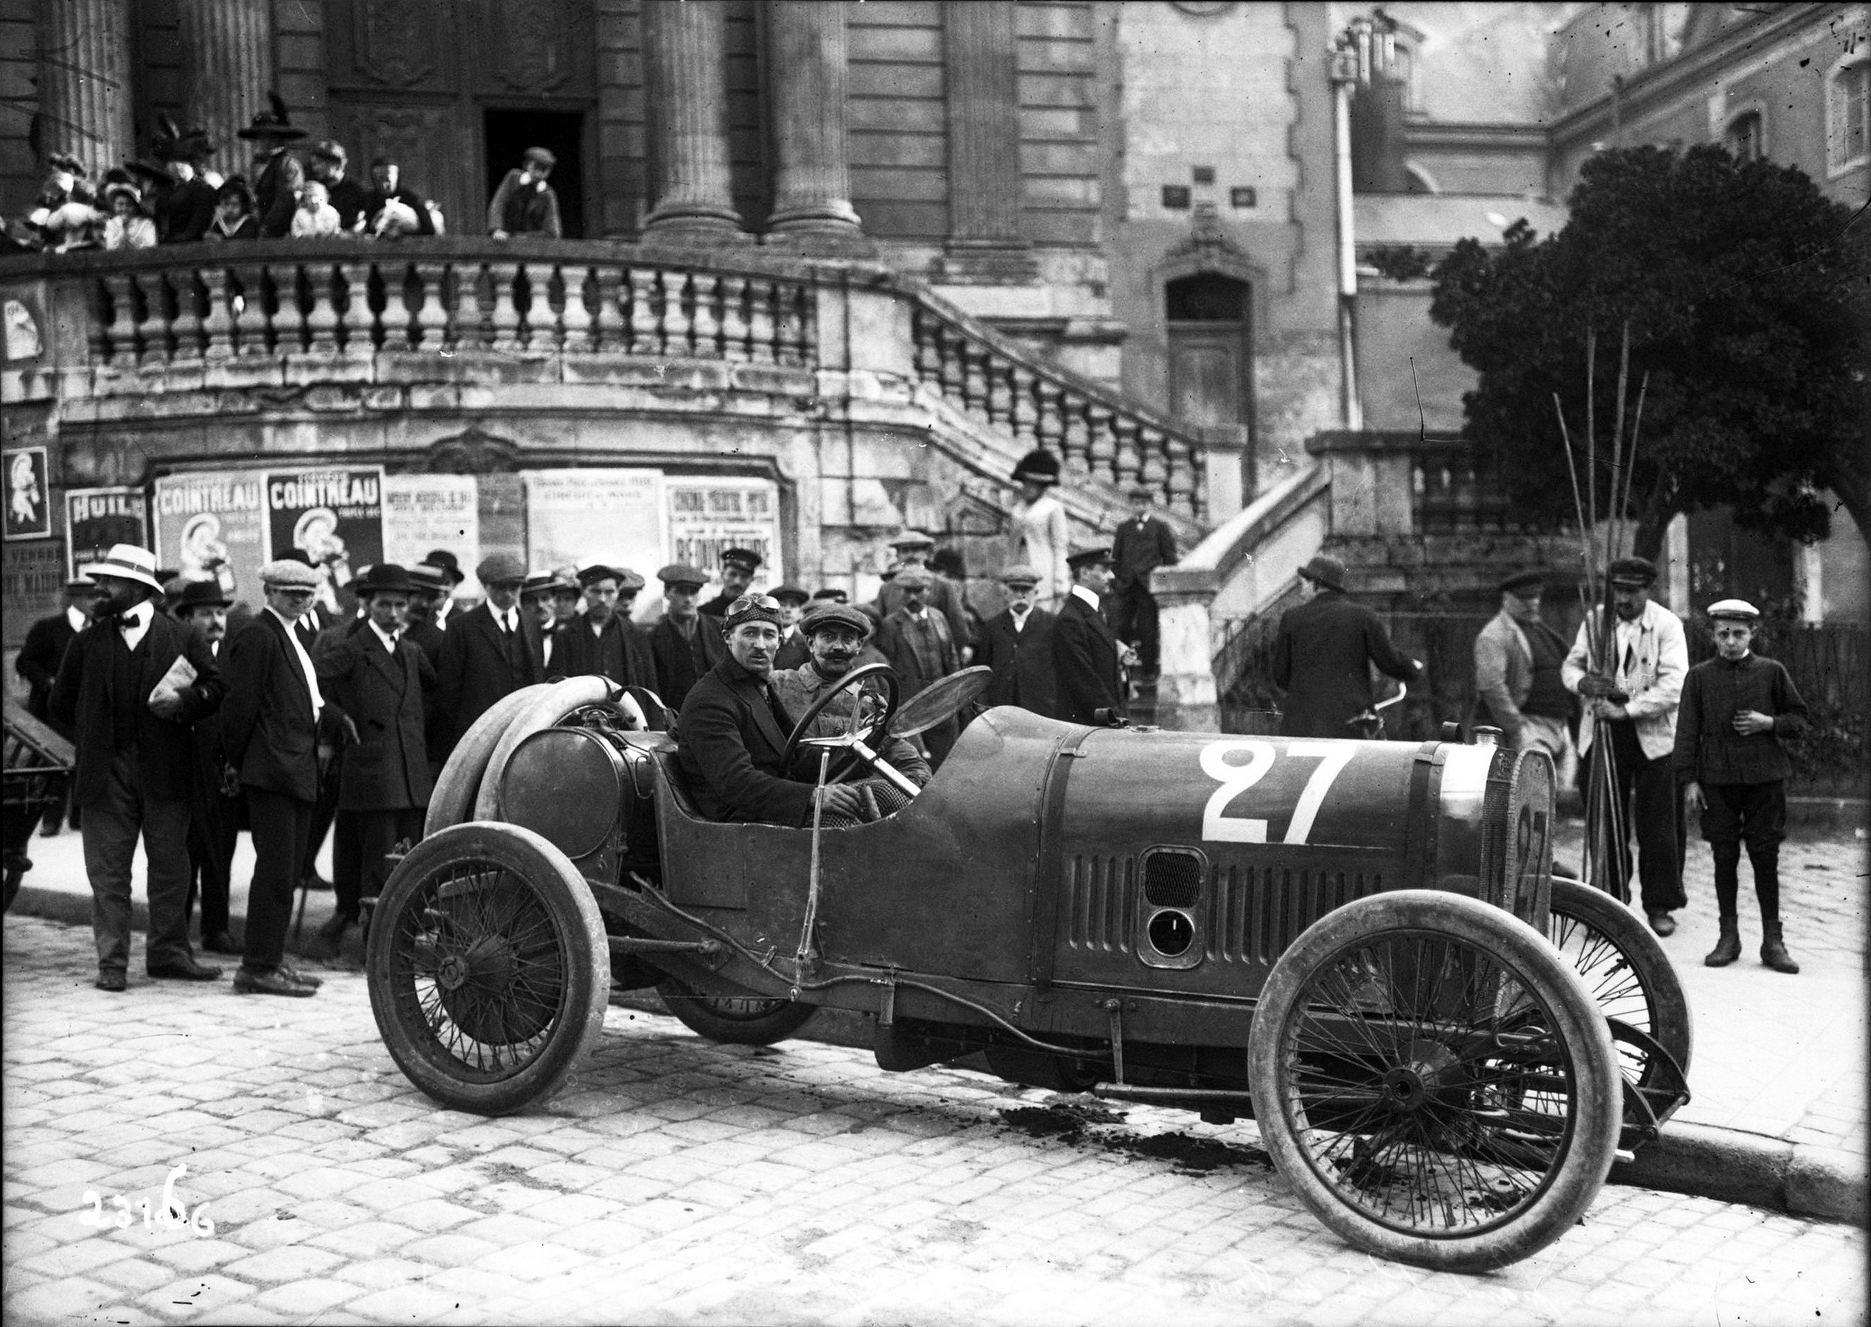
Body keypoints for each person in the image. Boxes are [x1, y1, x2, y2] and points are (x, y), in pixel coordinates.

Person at [49, 545, 225, 991]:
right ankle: (112, 964)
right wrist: (93, 741)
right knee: (108, 872)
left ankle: (168, 954)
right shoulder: (85, 641)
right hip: (104, 775)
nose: (99, 590)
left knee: (169, 866)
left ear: (138, 588)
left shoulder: (182, 637)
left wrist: (183, 702)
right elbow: (60, 704)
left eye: (108, 582)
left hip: (166, 771)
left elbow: (217, 687)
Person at [220, 558, 336, 996]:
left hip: (293, 767)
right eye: (292, 595)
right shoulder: (257, 635)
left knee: (285, 871)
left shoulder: (290, 632)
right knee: (274, 872)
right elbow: (239, 706)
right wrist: (237, 761)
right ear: (270, 593)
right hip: (272, 769)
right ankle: (257, 966)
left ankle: (271, 959)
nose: (302, 601)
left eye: (307, 595)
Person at [1676, 600, 1810, 973]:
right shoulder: (1699, 676)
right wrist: (1689, 780)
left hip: (1764, 777)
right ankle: (1728, 938)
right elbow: (1686, 731)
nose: (1730, 641)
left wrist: (1768, 722)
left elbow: (1800, 719)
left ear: (1753, 634)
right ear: (1713, 635)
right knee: (1724, 856)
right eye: (1723, 634)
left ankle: (1773, 941)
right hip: (1716, 779)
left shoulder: (1772, 672)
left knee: (1765, 856)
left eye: (1738, 633)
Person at [311, 565, 435, 955]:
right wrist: (337, 717)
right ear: (367, 604)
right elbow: (308, 683)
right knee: (378, 863)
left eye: (401, 605)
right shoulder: (350, 647)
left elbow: (433, 694)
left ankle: (405, 942)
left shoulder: (411, 651)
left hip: (410, 772)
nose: (394, 613)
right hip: (373, 772)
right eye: (385, 604)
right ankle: (377, 948)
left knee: (411, 859)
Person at [1563, 556, 1689, 935]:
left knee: (1659, 822)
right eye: (1619, 590)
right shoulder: (1595, 621)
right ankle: (1611, 905)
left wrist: (1625, 702)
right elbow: (1570, 667)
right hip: (1601, 731)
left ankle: (1660, 905)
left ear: (1647, 591)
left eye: (1632, 592)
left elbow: (1672, 683)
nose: (1624, 599)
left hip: (1653, 735)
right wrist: (1585, 684)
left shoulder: (1666, 625)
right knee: (1604, 818)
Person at [677, 595, 871, 826]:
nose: (760, 644)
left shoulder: (758, 687)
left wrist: (865, 753)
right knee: (847, 825)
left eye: (768, 635)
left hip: (770, 808)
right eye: (750, 633)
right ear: (728, 637)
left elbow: (796, 755)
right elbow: (735, 782)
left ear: (778, 642)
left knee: (882, 794)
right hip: (737, 821)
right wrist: (814, 795)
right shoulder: (710, 698)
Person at [770, 602, 932, 821]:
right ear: (810, 643)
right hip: (795, 807)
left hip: (854, 803)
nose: (839, 647)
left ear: (859, 646)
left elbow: (910, 762)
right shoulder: (778, 686)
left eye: (848, 639)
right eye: (828, 637)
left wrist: (893, 791)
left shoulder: (871, 703)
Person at [1271, 554, 1421, 740]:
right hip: (1349, 726)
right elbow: (1389, 662)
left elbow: (1280, 676)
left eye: (1303, 584)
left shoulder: (1291, 618)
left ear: (1316, 584)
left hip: (1301, 727)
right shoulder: (1362, 616)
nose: (1301, 592)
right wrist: (1413, 667)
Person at [171, 579, 242, 955]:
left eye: (219, 613)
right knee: (182, 854)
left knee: (220, 851)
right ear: (187, 618)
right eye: (205, 614)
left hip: (222, 772)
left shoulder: (233, 655)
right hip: (183, 770)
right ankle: (178, 933)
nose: (215, 620)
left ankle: (216, 930)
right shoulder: (177, 656)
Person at [1473, 570, 1577, 785]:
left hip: (1560, 726)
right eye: (1524, 598)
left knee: (1562, 795)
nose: (1532, 603)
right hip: (1530, 726)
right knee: (1535, 791)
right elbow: (1491, 686)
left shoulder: (1540, 630)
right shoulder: (1494, 635)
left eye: (1535, 597)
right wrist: (1517, 726)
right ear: (1507, 599)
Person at [434, 552, 543, 756]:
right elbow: (449, 690)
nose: (509, 594)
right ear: (486, 587)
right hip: (478, 734)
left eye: (515, 587)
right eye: (501, 588)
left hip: (523, 730)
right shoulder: (461, 627)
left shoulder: (531, 623)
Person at [15, 574, 96, 835]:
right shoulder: (48, 628)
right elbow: (24, 662)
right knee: (58, 761)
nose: (95, 602)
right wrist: (48, 681)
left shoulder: (98, 628)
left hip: (86, 708)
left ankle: (79, 817)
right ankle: (51, 819)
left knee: (84, 759)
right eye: (90, 597)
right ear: (75, 599)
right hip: (54, 709)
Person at [876, 565, 964, 766]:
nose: (914, 597)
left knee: (947, 755)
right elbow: (886, 667)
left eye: (919, 591)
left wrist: (956, 690)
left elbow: (951, 656)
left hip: (943, 698)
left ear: (929, 591)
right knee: (917, 759)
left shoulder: (939, 617)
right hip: (911, 702)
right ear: (901, 593)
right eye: (908, 591)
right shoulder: (891, 625)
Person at [1052, 545, 1128, 727]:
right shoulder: (1070, 619)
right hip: (1087, 727)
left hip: (1101, 723)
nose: (1112, 576)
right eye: (1105, 570)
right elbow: (1085, 681)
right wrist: (1116, 719)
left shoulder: (1095, 612)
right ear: (1085, 573)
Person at [973, 565, 1058, 718]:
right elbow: (983, 669)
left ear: (1036, 593)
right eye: (1014, 590)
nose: (1020, 595)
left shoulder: (1051, 624)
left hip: (1041, 708)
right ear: (1005, 593)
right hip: (1003, 708)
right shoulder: (992, 627)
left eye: (1025, 590)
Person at [1110, 485, 1178, 678]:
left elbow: (1170, 560)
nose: (1139, 506)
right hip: (1126, 586)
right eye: (1135, 503)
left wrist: (1159, 582)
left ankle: (1148, 672)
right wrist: (1119, 579)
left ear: (1150, 505)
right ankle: (1124, 670)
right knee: (1122, 628)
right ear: (1130, 505)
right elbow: (1116, 557)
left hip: (1148, 588)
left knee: (1147, 629)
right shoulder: (1124, 528)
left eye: (1143, 503)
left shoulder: (1159, 528)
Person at [555, 564, 657, 689]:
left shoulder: (635, 636)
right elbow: (556, 687)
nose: (602, 599)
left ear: (617, 592)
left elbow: (650, 687)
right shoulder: (566, 637)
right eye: (595, 591)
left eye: (609, 592)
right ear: (584, 592)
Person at [875, 531, 973, 658]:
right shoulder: (887, 589)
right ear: (898, 556)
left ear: (927, 554)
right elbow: (879, 629)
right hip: (899, 661)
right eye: (905, 550)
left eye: (916, 550)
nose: (911, 555)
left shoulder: (943, 586)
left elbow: (958, 628)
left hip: (935, 659)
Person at [649, 563, 727, 711]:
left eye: (693, 592)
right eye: (681, 592)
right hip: (676, 718)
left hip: (716, 713)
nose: (688, 599)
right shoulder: (654, 637)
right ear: (666, 593)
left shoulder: (719, 630)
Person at [238, 93, 308, 239]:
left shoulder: (287, 165)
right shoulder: (258, 164)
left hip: (279, 234)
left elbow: (286, 200)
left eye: (267, 137)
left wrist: (267, 227)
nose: (261, 141)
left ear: (276, 138)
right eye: (259, 137)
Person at [1008, 448, 1071, 609]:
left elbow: (1060, 546)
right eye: (1026, 483)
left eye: (1033, 484)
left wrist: (1060, 581)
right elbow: (1011, 545)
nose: (1028, 487)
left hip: (1043, 570)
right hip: (1019, 566)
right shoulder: (1017, 509)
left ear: (1042, 487)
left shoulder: (1052, 508)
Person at [488, 146, 562, 239]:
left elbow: (552, 231)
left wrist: (523, 237)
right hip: (503, 239)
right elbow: (499, 203)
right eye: (536, 167)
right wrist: (496, 229)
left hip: (532, 245)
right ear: (527, 165)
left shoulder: (547, 194)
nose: (539, 173)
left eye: (544, 169)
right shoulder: (513, 179)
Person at [152, 147, 218, 244]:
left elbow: (199, 222)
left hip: (190, 245)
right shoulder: (165, 191)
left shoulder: (203, 190)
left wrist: (180, 239)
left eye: (182, 163)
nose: (177, 167)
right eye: (173, 162)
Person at [361, 157, 436, 239]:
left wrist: (402, 233)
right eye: (378, 180)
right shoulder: (368, 199)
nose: (383, 185)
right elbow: (367, 232)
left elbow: (429, 229)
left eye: (387, 180)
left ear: (397, 176)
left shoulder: (411, 197)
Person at [307, 140, 369, 233]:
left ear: (337, 164)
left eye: (319, 163)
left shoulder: (358, 191)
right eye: (314, 164)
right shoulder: (314, 189)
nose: (315, 169)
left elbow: (364, 222)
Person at [401, 562, 449, 669]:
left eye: (430, 599)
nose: (424, 604)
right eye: (419, 596)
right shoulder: (375, 627)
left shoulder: (438, 640)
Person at [523, 570, 570, 672]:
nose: (540, 605)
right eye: (532, 600)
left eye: (545, 598)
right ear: (523, 605)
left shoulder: (569, 633)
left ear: (554, 600)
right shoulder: (518, 635)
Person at [700, 547, 762, 619]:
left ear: (751, 580)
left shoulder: (757, 615)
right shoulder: (704, 613)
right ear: (722, 574)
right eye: (732, 574)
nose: (737, 582)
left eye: (744, 576)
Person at [100, 182, 157, 250]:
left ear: (135, 206)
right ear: (114, 206)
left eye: (129, 205)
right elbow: (111, 247)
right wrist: (124, 230)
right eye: (120, 204)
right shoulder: (111, 224)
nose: (124, 209)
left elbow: (150, 245)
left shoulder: (146, 224)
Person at [420, 549, 465, 629]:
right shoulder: (414, 615)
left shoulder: (464, 621)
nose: (440, 590)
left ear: (454, 584)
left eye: (446, 582)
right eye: (434, 582)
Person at [205, 176, 259, 242]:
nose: (230, 209)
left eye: (235, 204)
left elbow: (244, 241)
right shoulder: (220, 223)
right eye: (226, 204)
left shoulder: (249, 222)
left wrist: (222, 240)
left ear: (243, 206)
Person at [772, 584, 812, 671]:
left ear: (800, 611)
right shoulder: (763, 638)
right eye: (782, 605)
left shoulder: (806, 644)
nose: (788, 610)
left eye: (793, 606)